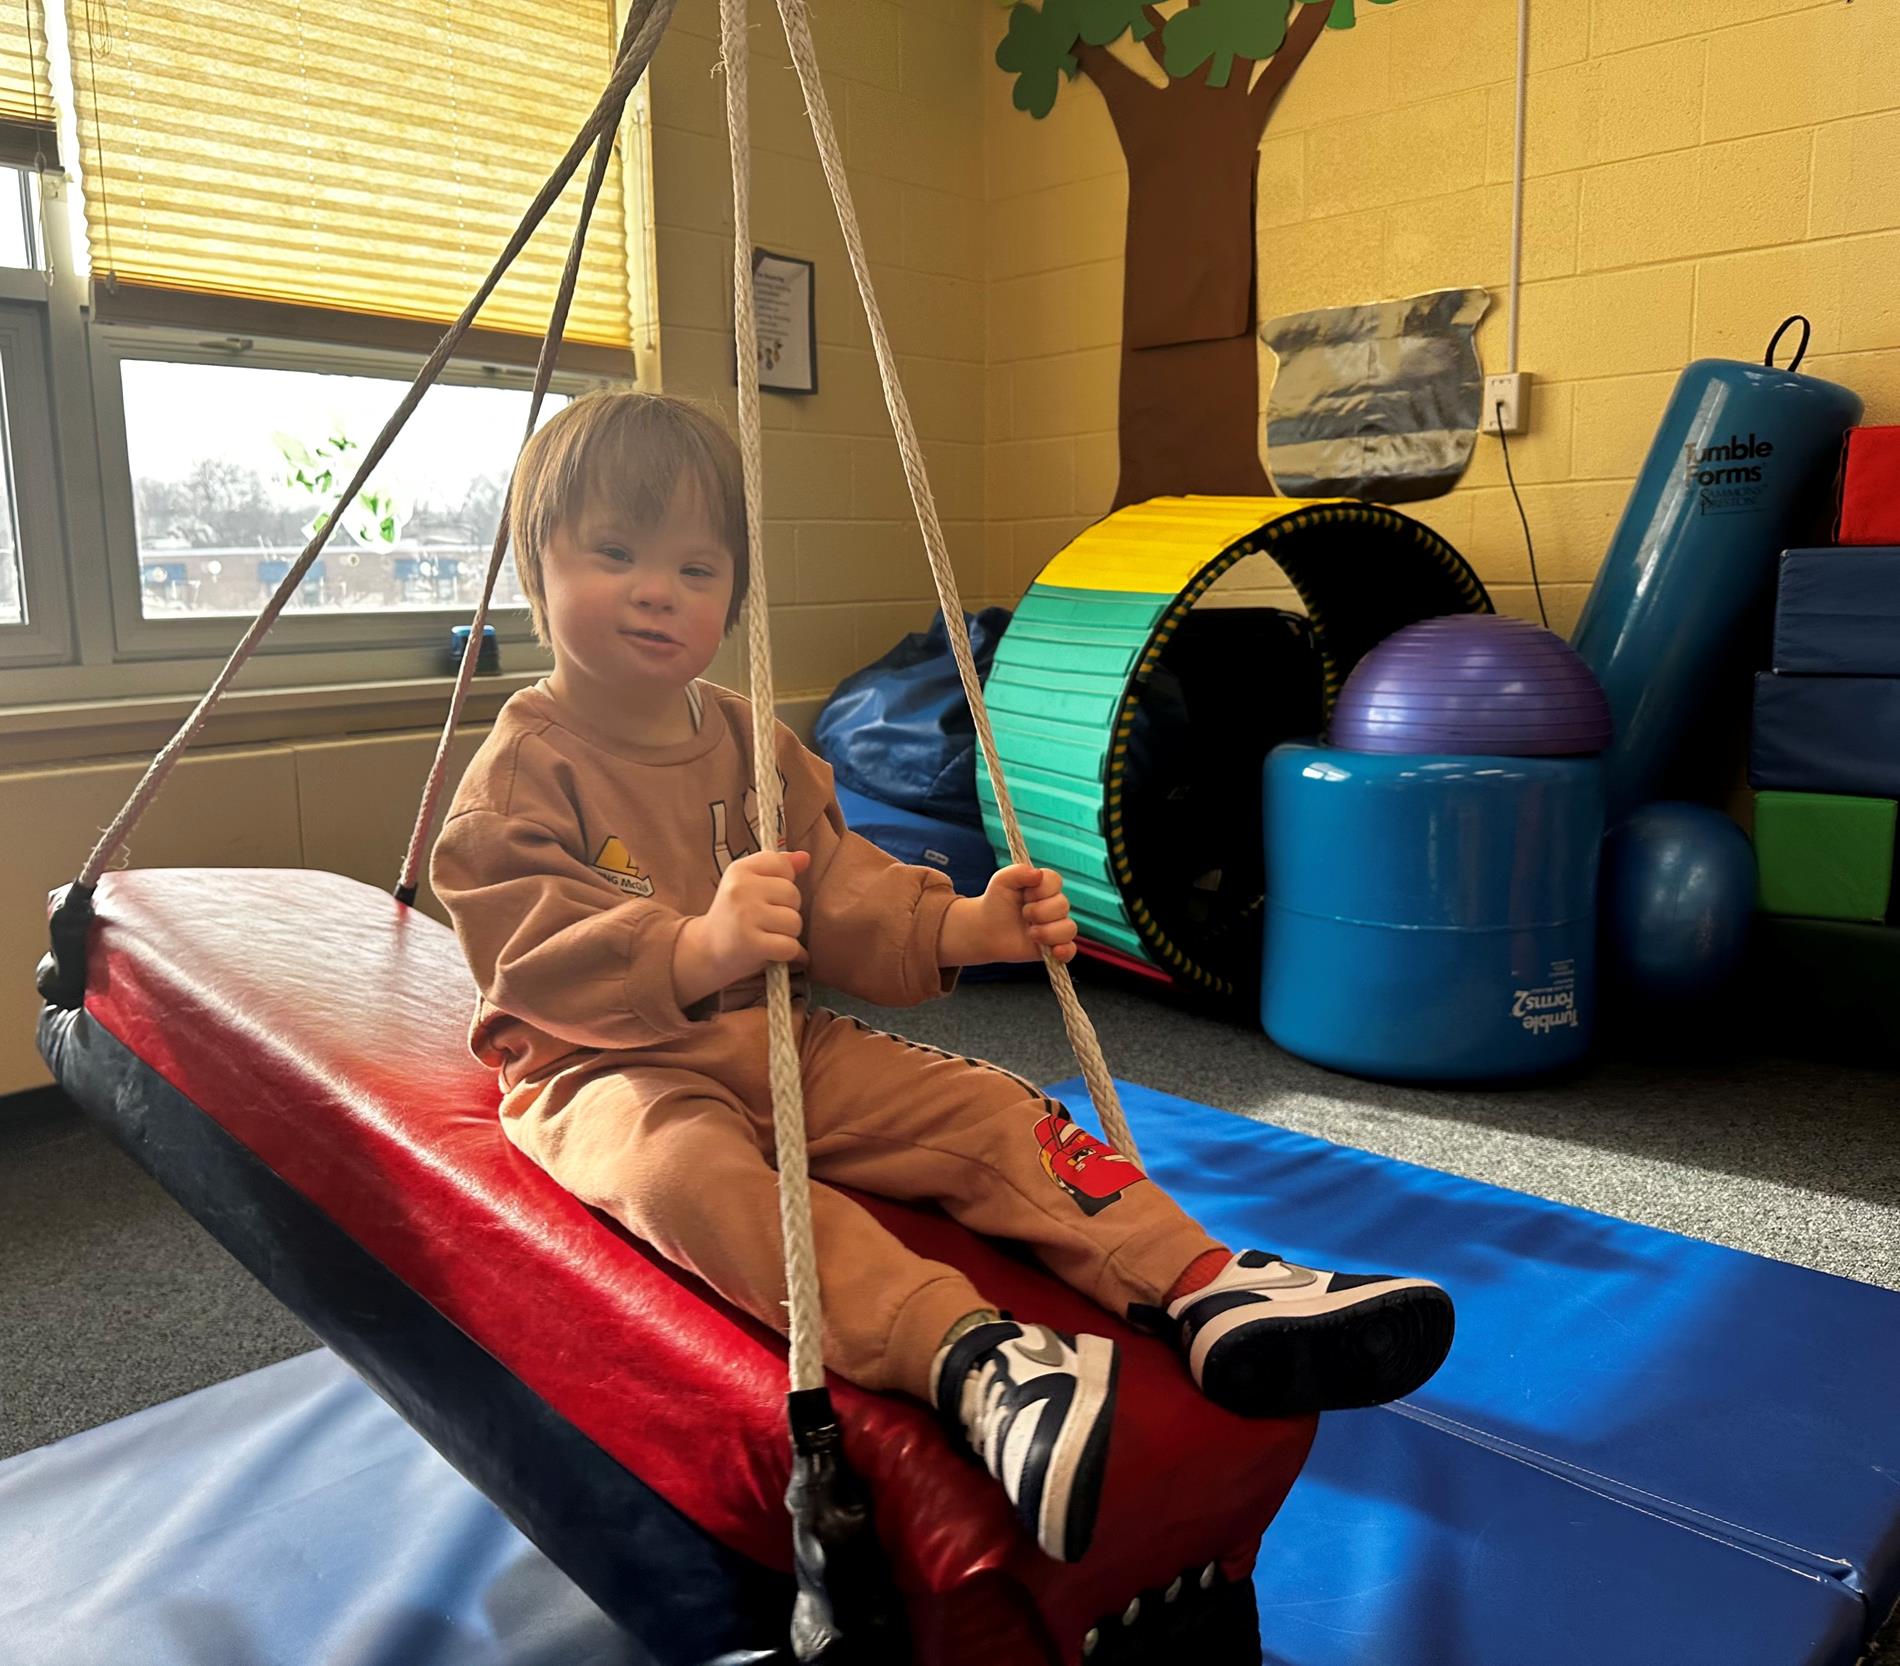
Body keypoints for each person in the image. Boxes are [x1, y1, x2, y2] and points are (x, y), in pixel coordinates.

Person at [432, 392, 1454, 1564]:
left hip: (777, 1034)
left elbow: (843, 886)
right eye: (614, 555)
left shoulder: (749, 740)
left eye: (695, 566)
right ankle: (974, 1358)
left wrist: (965, 929)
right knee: (691, 1178)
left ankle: (1204, 1283)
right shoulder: (524, 766)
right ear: (535, 567)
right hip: (607, 1066)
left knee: (987, 1105)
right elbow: (520, 951)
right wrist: (692, 947)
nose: (656, 589)